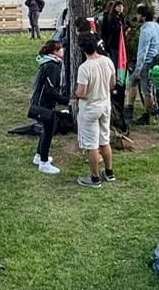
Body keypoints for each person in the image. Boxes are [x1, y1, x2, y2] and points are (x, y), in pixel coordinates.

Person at [74, 34, 116, 188]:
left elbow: (82, 93)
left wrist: (76, 94)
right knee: (104, 140)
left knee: (92, 144)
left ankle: (94, 178)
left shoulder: (85, 68)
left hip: (90, 109)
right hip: (105, 105)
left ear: (83, 50)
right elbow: (112, 84)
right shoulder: (107, 61)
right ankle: (109, 172)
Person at [27, 39, 69, 175]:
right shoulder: (51, 66)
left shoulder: (49, 63)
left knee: (46, 129)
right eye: (60, 49)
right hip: (43, 104)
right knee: (49, 130)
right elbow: (51, 91)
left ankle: (39, 156)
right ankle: (44, 163)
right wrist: (67, 101)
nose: (63, 50)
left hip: (44, 102)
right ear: (54, 52)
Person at [131, 3, 159, 125]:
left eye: (138, 14)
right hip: (157, 60)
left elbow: (142, 52)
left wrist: (137, 70)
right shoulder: (156, 25)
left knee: (143, 89)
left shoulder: (145, 30)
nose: (136, 16)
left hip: (147, 63)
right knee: (154, 86)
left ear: (143, 17)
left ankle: (146, 115)